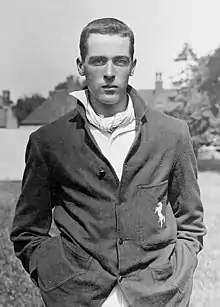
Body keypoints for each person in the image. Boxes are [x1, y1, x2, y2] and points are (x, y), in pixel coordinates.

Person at [10, 17, 207, 307]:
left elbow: (191, 222)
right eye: (98, 61)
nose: (110, 73)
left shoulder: (172, 135)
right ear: (80, 66)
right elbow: (27, 231)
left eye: (120, 61)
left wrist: (177, 275)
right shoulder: (48, 142)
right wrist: (54, 277)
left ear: (133, 65)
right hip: (78, 298)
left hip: (156, 297)